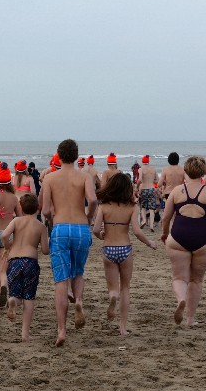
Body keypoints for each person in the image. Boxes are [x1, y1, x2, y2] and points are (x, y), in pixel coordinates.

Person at [160, 156, 206, 328]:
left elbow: (166, 217)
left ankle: (181, 299)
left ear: (186, 170)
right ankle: (190, 319)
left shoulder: (177, 191)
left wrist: (165, 234)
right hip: (203, 237)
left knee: (179, 277)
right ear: (203, 171)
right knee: (196, 280)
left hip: (179, 235)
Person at [39, 139, 97, 347]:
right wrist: (89, 217)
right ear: (76, 155)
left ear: (59, 155)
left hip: (61, 227)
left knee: (61, 281)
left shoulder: (50, 178)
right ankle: (79, 302)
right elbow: (92, 200)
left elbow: (45, 210)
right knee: (78, 272)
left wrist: (53, 220)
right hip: (81, 227)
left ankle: (62, 330)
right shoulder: (85, 177)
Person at [92, 172, 158, 335]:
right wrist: (149, 242)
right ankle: (122, 327)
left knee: (113, 288)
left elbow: (95, 229)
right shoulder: (132, 207)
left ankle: (112, 297)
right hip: (125, 249)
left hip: (109, 249)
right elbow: (136, 231)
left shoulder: (103, 206)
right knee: (126, 288)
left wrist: (101, 235)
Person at [1, 193, 49, 341]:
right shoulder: (41, 226)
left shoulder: (16, 221)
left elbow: (4, 235)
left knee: (15, 292)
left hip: (14, 260)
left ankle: (13, 301)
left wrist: (8, 247)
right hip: (30, 262)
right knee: (29, 297)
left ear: (20, 207)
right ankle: (25, 334)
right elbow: (45, 251)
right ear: (38, 208)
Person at [0, 165, 19, 307]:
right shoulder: (13, 198)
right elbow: (20, 217)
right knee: (3, 269)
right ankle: (4, 287)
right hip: (8, 234)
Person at [136, 155, 160, 231]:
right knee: (152, 208)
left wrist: (137, 187)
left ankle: (144, 221)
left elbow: (139, 179)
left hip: (144, 189)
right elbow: (157, 180)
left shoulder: (141, 169)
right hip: (152, 189)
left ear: (142, 161)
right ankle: (151, 226)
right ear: (148, 161)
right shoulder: (153, 169)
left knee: (143, 207)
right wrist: (151, 181)